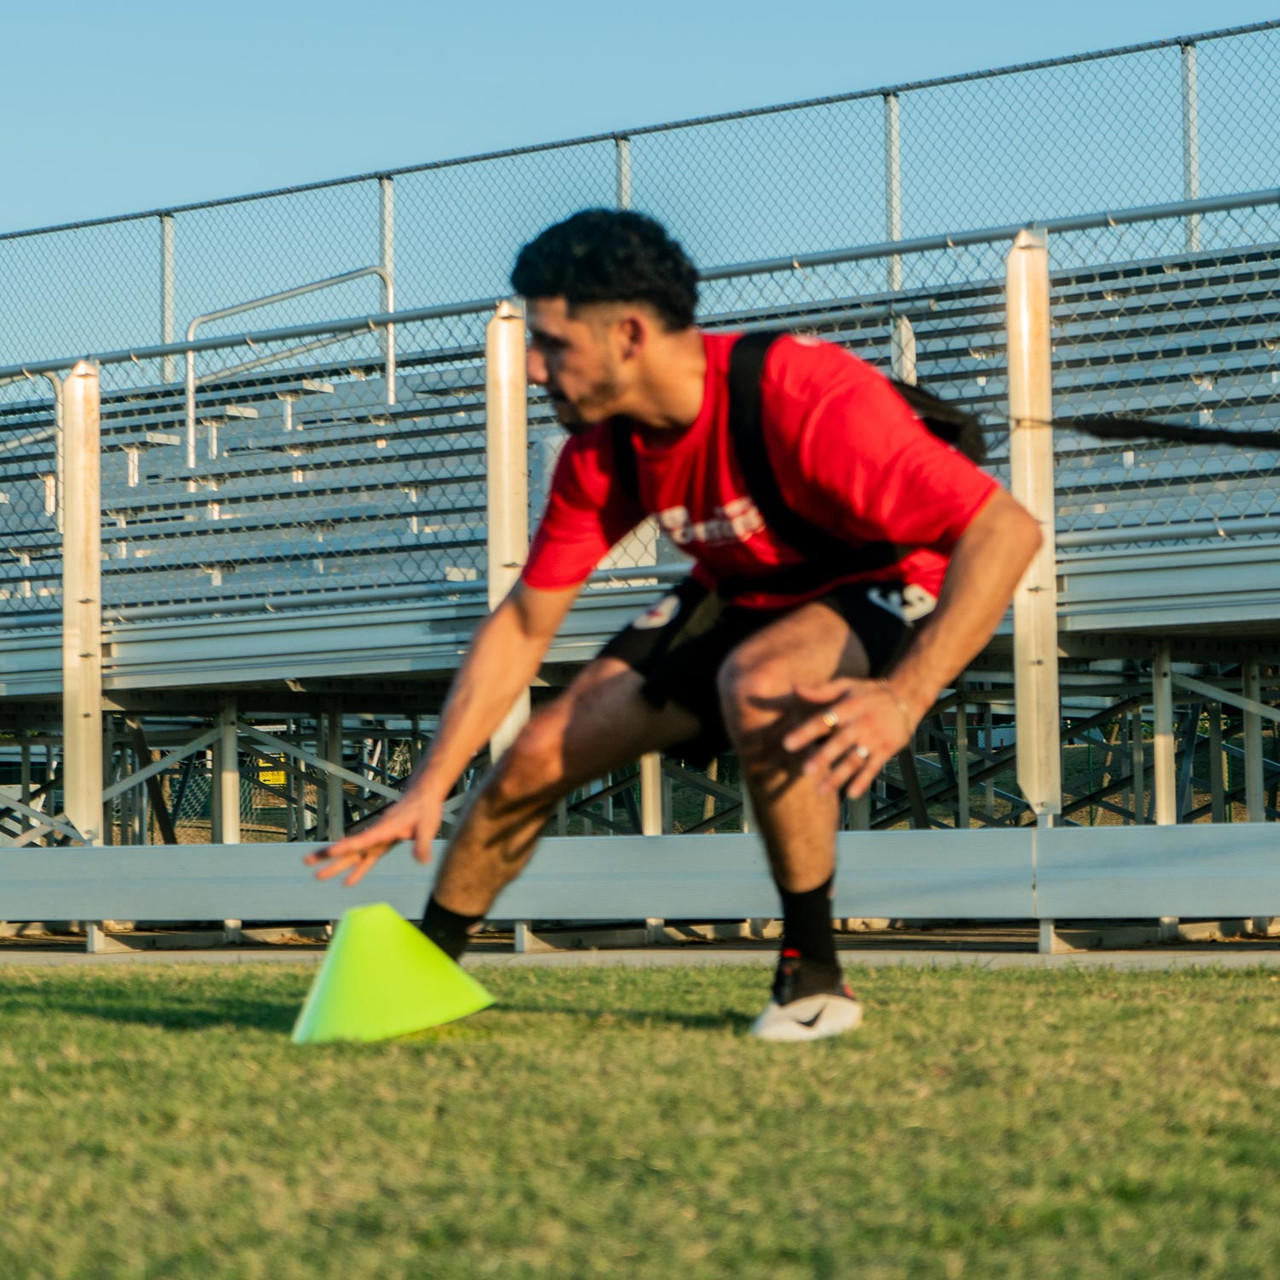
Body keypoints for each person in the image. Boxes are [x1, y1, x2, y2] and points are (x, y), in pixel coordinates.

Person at [306, 208, 1041, 1041]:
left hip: (882, 578)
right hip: (741, 591)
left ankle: (812, 975)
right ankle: (421, 976)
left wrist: (904, 697)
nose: (536, 371)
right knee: (538, 754)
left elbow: (1005, 531)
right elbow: (522, 626)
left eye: (551, 344)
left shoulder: (805, 397)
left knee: (759, 681)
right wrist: (429, 789)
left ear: (625, 334)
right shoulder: (602, 450)